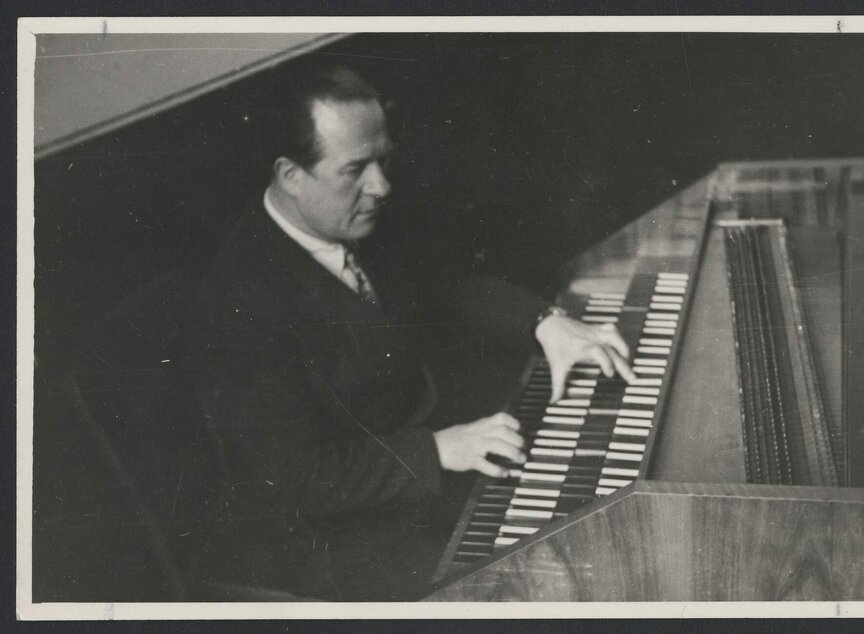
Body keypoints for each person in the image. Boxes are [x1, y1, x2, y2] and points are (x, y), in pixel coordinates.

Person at [184, 63, 635, 601]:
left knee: (595, 509)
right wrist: (437, 450)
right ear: (290, 176)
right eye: (355, 169)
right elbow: (290, 477)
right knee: (556, 581)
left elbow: (448, 287)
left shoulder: (353, 217)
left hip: (416, 464)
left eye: (385, 159)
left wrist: (547, 324)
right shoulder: (236, 301)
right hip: (332, 537)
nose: (381, 186)